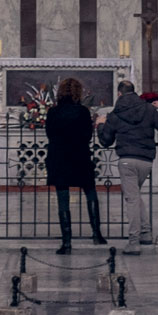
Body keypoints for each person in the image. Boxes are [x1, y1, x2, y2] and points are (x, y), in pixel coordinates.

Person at [99, 80, 158, 254]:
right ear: (135, 92)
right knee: (135, 195)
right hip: (146, 160)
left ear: (119, 94)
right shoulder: (148, 108)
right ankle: (145, 232)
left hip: (126, 161)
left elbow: (105, 141)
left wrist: (100, 124)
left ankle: (133, 242)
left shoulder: (115, 113)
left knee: (131, 199)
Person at [44, 76, 106, 255]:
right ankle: (97, 234)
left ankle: (67, 243)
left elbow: (50, 135)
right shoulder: (83, 112)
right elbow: (87, 136)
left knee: (63, 198)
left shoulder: (53, 112)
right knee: (90, 191)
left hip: (59, 157)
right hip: (79, 155)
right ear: (78, 93)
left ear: (60, 93)